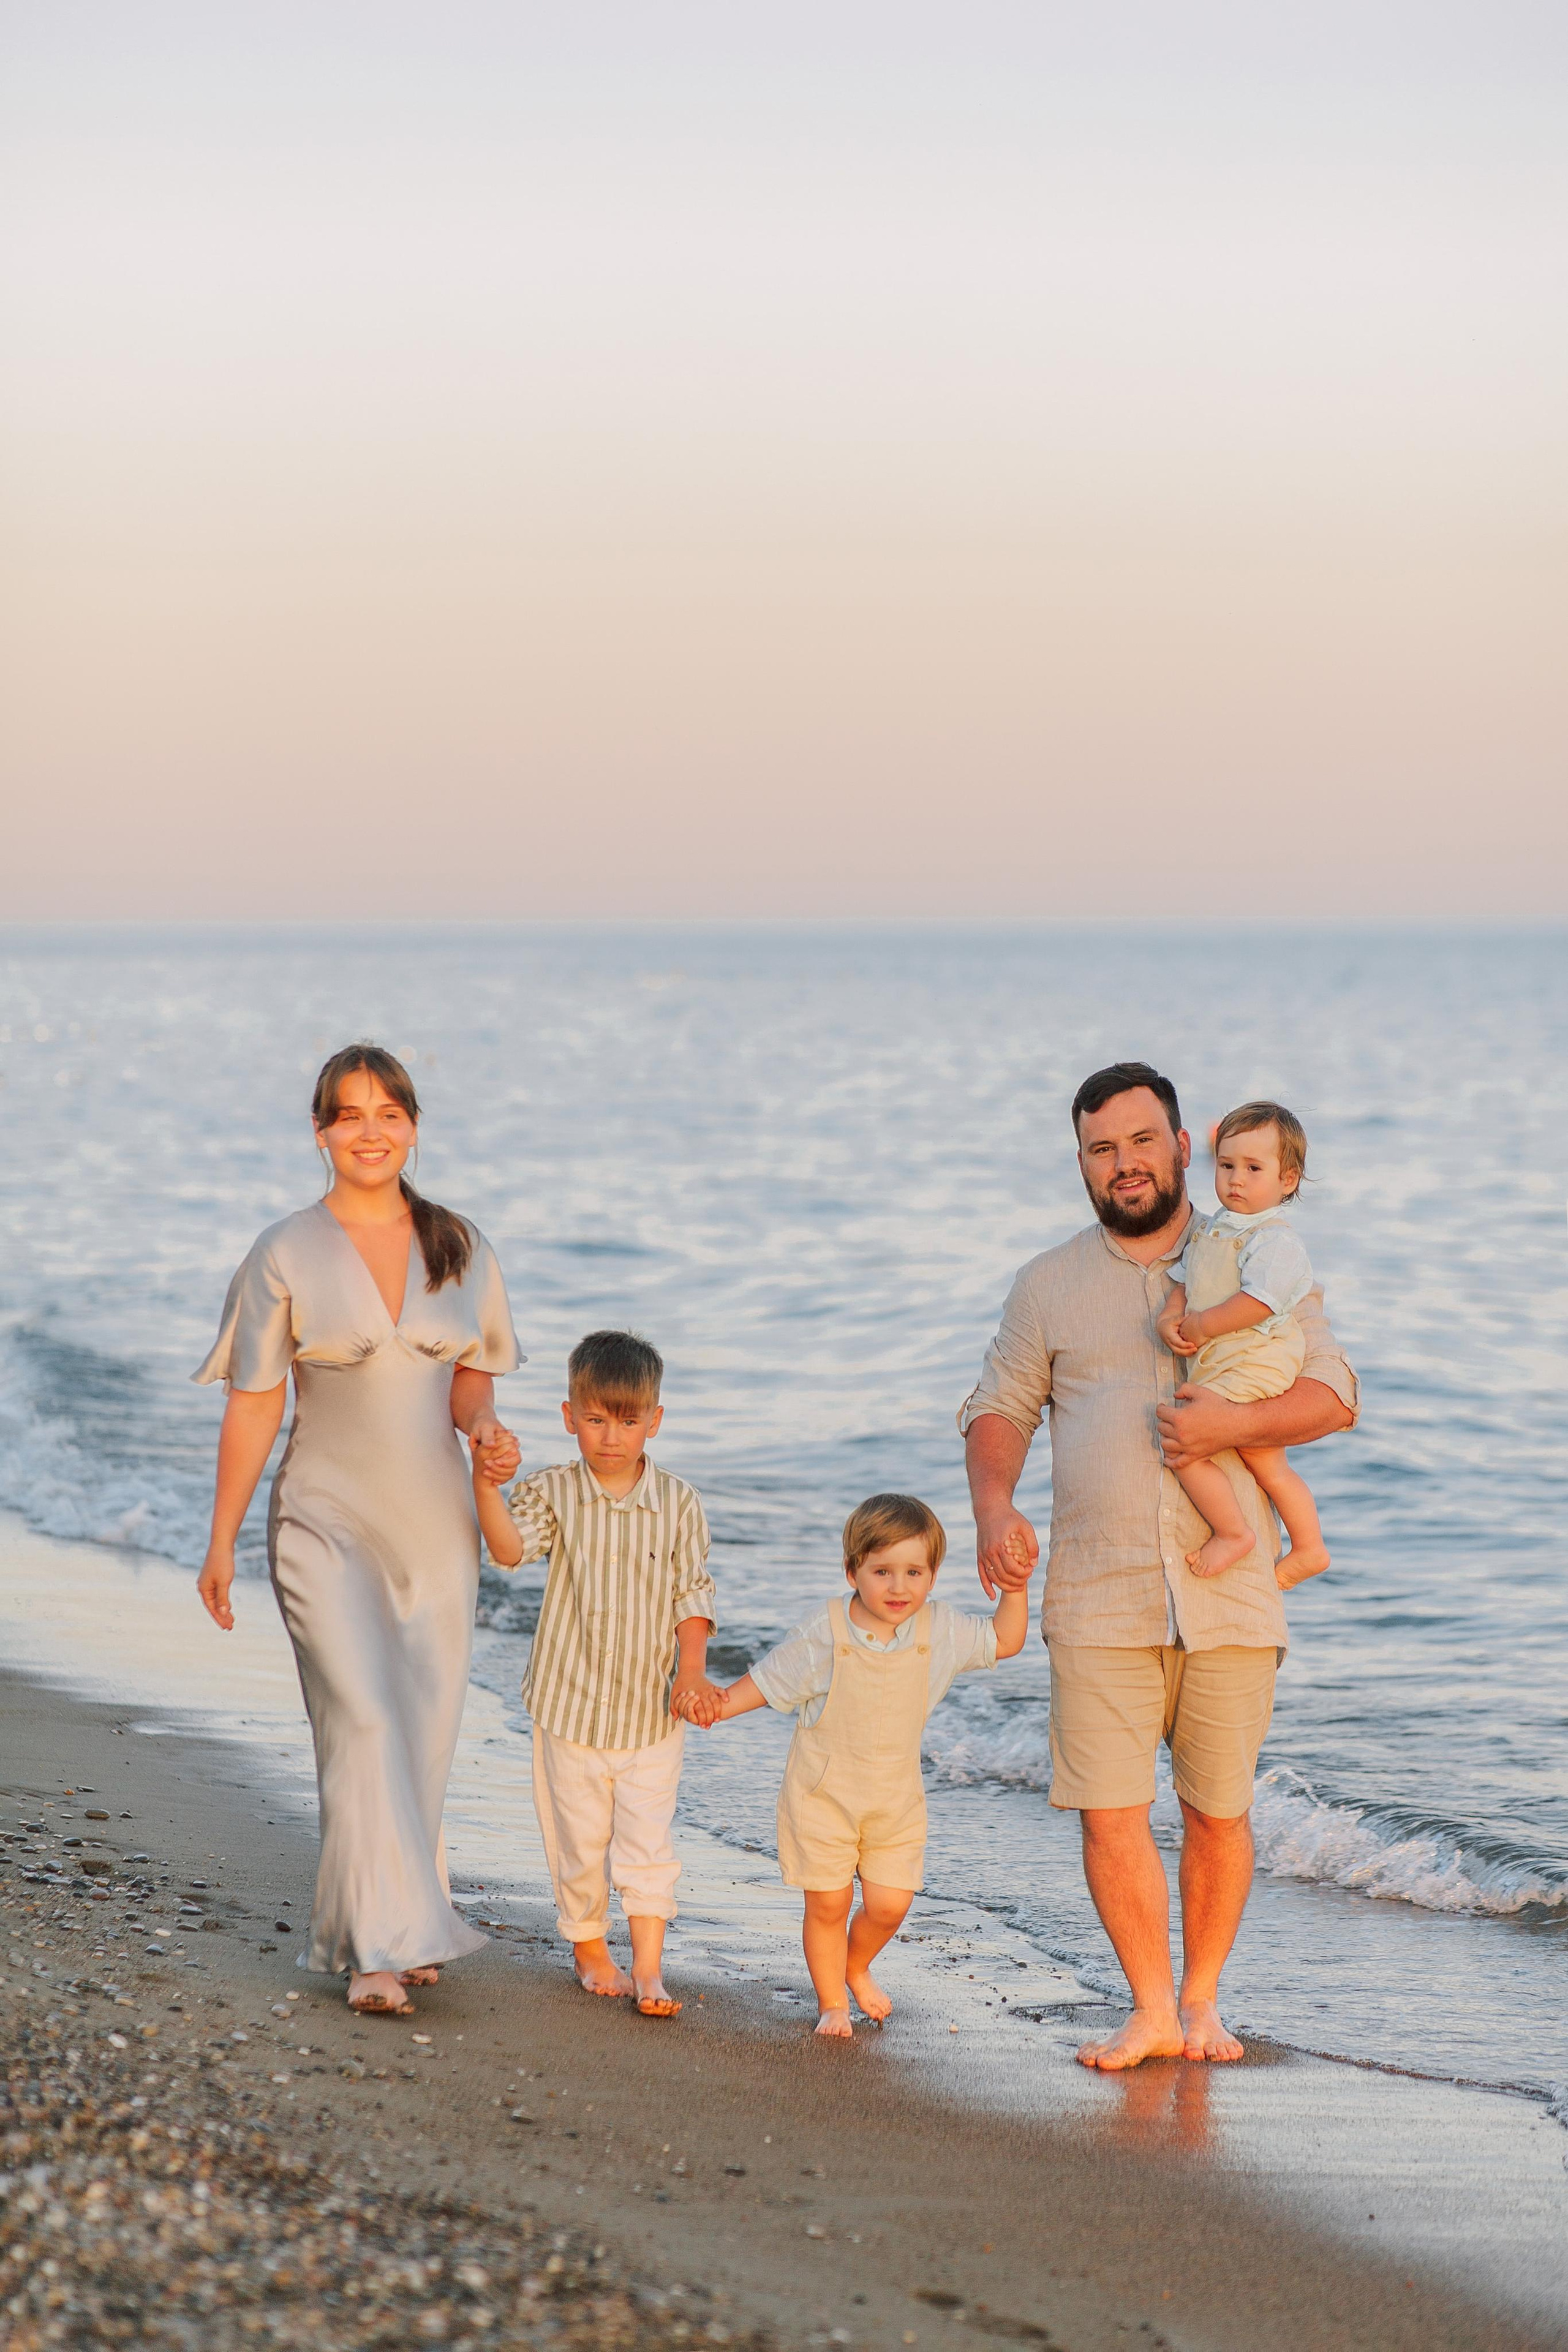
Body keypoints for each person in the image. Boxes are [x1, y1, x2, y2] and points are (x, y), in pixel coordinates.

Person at [961, 1061, 1357, 2072]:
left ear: (1183, 1147)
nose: (1124, 1163)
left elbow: (1334, 1393)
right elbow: (999, 1407)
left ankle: (1201, 2004)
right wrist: (995, 1508)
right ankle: (1147, 2012)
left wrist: (1235, 1426)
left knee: (1220, 1811)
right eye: (1102, 1149)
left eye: (1142, 1142)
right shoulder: (1047, 1284)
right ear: (1082, 1164)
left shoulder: (1258, 1252)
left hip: (1231, 1595)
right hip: (1098, 1593)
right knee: (1110, 1811)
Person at [194, 1043, 521, 2018]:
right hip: (320, 1519)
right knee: (364, 1716)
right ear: (320, 1131)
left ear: (413, 1127)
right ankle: (374, 1950)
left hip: (437, 1527)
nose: (369, 1132)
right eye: (349, 1114)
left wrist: (486, 1428)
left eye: (388, 1114)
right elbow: (256, 1404)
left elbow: (471, 1381)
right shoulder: (285, 1250)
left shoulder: (460, 1244)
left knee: (422, 1728)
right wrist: (221, 1539)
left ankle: (408, 1923)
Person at [684, 1492, 1031, 2038]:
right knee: (828, 1903)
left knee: (890, 1905)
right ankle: (833, 2004)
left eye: (914, 1572)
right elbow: (766, 1683)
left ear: (933, 1576)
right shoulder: (825, 1632)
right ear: (853, 1572)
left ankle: (856, 1964)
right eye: (882, 1571)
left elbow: (1005, 1640)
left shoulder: (939, 1631)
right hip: (822, 1797)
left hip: (896, 1803)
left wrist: (1016, 1585)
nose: (898, 1587)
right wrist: (714, 1704)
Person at [472, 1330, 718, 2019]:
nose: (612, 1437)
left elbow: (692, 1595)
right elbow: (509, 1551)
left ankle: (649, 1968)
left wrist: (692, 1673)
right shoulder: (554, 1492)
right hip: (570, 1706)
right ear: (569, 1417)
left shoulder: (679, 1503)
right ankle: (589, 1948)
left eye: (629, 1421)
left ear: (655, 1421)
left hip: (652, 1712)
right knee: (578, 1844)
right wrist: (485, 1487)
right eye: (596, 1420)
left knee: (647, 1844)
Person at [1156, 1101, 1329, 1582]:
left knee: (1185, 1444)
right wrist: (1171, 1317)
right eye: (1227, 1165)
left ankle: (1234, 1533)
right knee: (1268, 1464)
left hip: (1257, 1359)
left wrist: (1204, 1325)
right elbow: (1185, 1282)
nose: (1236, 1180)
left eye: (1254, 1169)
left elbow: (1260, 1302)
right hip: (1227, 1362)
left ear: (1287, 1180)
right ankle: (1310, 1546)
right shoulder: (1213, 1229)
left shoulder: (1275, 1240)